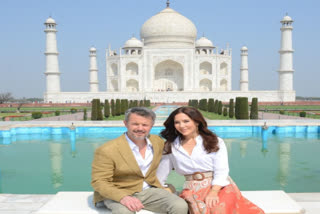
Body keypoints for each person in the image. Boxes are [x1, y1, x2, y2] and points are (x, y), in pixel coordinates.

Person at [157, 107, 265, 214]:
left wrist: (213, 192)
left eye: (186, 121)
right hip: (191, 189)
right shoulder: (171, 146)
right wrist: (154, 189)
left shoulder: (214, 141)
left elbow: (221, 170)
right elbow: (162, 172)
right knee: (197, 209)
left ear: (197, 122)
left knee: (217, 208)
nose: (182, 126)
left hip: (219, 187)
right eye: (177, 122)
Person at [91, 107, 188, 214]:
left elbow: (176, 158)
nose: (140, 128)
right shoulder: (107, 150)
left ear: (151, 126)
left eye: (145, 125)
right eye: (135, 124)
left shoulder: (157, 142)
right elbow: (99, 181)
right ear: (125, 123)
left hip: (149, 192)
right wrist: (123, 197)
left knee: (180, 206)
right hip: (119, 192)